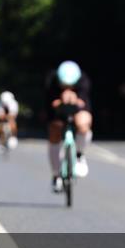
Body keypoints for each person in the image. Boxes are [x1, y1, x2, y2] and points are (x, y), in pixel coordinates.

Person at [46, 60, 93, 192]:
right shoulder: (52, 81)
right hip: (58, 111)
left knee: (83, 124)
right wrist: (59, 101)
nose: (67, 87)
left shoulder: (83, 81)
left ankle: (79, 155)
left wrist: (75, 100)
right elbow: (50, 104)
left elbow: (84, 104)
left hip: (77, 109)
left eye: (70, 85)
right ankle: (56, 174)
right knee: (54, 131)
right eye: (64, 85)